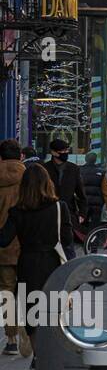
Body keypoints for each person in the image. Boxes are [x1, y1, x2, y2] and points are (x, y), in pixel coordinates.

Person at [0, 166, 78, 370]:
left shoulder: (17, 212)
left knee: (31, 314)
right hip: (53, 263)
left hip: (28, 264)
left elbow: (3, 239)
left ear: (24, 188)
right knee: (53, 311)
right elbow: (68, 239)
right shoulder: (60, 208)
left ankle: (38, 356)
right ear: (48, 183)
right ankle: (53, 352)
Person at [0, 140, 25, 355]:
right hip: (26, 245)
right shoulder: (30, 178)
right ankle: (30, 338)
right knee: (28, 291)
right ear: (21, 157)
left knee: (6, 292)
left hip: (2, 246)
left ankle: (11, 339)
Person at [44, 138, 87, 229]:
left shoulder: (73, 169)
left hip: (69, 213)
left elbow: (80, 192)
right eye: (63, 150)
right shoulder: (44, 169)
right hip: (48, 214)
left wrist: (82, 214)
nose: (66, 152)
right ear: (54, 152)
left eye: (67, 150)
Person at [79, 152, 107, 228]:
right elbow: (105, 191)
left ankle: (83, 239)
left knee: (82, 225)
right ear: (95, 160)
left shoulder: (79, 171)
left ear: (85, 159)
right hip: (97, 204)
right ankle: (93, 239)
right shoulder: (101, 172)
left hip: (83, 203)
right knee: (95, 226)